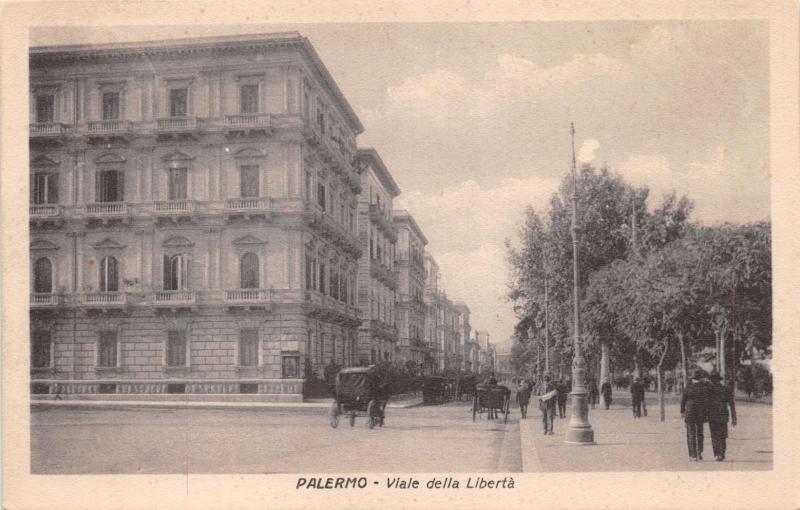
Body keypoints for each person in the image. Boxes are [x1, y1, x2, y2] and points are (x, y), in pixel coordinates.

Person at [680, 369, 710, 461]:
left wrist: (682, 412)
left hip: (689, 413)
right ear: (700, 378)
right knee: (700, 433)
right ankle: (699, 452)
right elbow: (707, 401)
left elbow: (683, 401)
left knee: (690, 434)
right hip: (701, 413)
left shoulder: (688, 387)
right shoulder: (704, 387)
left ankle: (692, 455)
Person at [707, 371, 737, 461]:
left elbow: (704, 404)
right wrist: (734, 418)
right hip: (723, 416)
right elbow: (732, 405)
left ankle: (717, 454)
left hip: (712, 416)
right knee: (722, 436)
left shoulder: (709, 390)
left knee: (714, 436)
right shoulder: (725, 389)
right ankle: (721, 454)